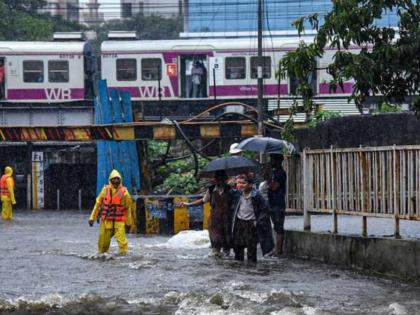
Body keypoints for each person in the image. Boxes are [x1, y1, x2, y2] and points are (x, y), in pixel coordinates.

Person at [180, 170, 232, 257]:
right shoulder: (211, 189)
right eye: (218, 179)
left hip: (227, 218)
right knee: (215, 239)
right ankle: (216, 256)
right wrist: (189, 204)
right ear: (215, 180)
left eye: (222, 179)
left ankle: (226, 257)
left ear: (225, 179)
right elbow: (203, 200)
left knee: (227, 240)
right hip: (214, 218)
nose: (220, 181)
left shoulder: (230, 189)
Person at [88, 169, 132, 255]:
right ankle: (103, 259)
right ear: (110, 180)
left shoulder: (125, 193)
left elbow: (128, 209)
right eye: (114, 179)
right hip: (106, 222)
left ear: (120, 180)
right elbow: (97, 205)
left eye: (117, 179)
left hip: (119, 223)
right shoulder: (105, 190)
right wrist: (92, 218)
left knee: (123, 244)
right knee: (102, 246)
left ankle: (123, 259)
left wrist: (129, 223)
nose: (115, 181)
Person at [231, 174, 271, 263]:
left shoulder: (256, 196)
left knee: (251, 248)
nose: (240, 185)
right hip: (239, 222)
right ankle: (238, 269)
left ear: (250, 185)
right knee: (238, 247)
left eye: (243, 183)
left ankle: (252, 269)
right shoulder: (238, 194)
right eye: (239, 183)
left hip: (251, 224)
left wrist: (258, 221)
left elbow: (265, 209)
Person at [268, 154, 287, 256]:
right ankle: (276, 249)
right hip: (272, 203)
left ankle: (279, 250)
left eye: (272, 159)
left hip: (278, 204)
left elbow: (274, 187)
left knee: (279, 227)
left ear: (278, 161)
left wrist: (267, 181)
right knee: (275, 226)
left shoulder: (280, 173)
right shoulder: (274, 173)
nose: (271, 162)